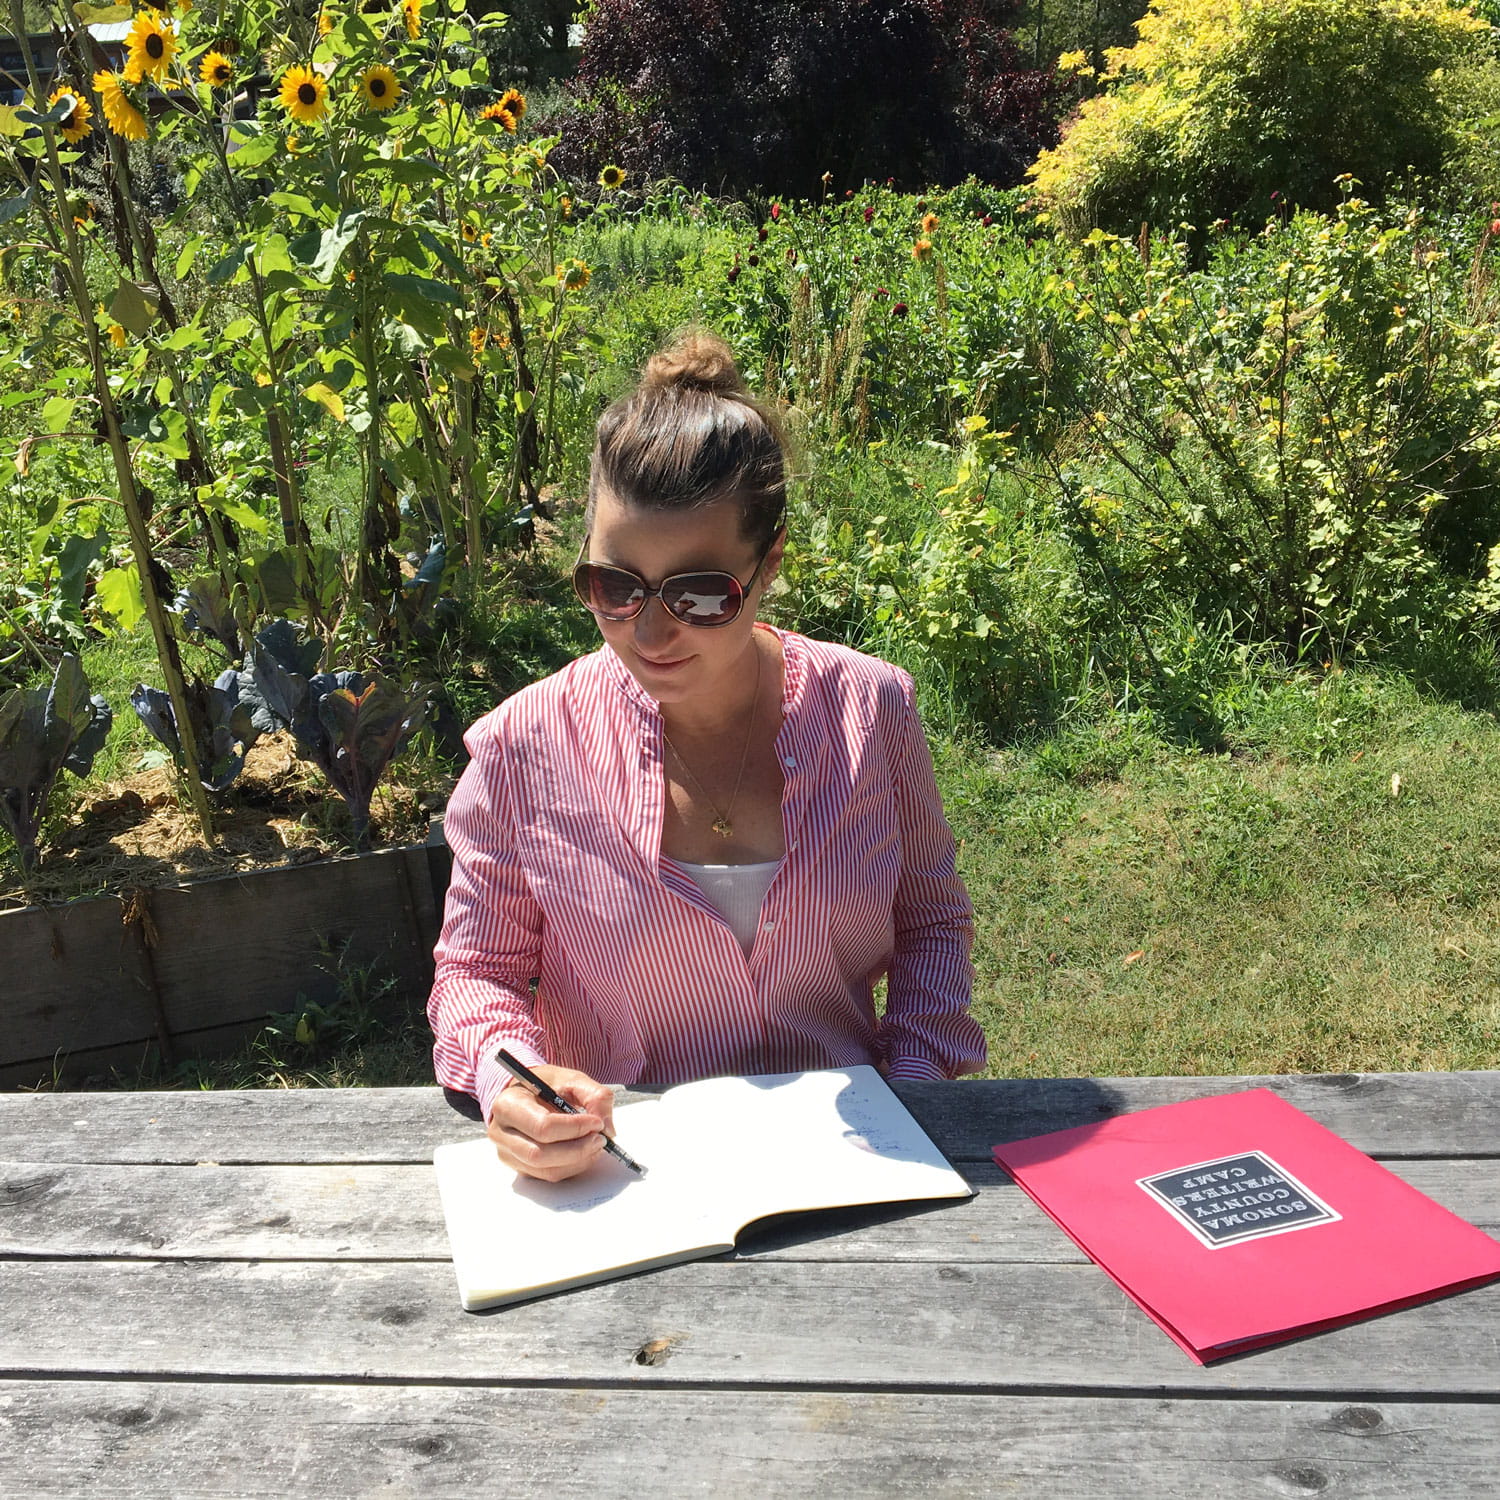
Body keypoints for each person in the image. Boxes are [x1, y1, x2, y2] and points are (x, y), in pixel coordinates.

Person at [427, 331, 985, 1180]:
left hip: (858, 1159)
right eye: (615, 586)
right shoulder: (520, 748)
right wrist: (515, 1079)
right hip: (624, 1181)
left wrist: (910, 1086)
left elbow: (931, 922)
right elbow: (476, 973)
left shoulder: (873, 712)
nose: (650, 632)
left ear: (767, 569)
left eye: (697, 593)